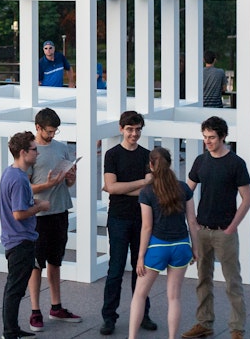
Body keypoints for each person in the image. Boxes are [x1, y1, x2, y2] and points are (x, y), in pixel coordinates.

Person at [181, 116, 250, 339]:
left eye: (212, 137)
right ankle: (204, 323)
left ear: (222, 137)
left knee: (232, 281)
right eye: (205, 137)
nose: (207, 142)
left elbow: (247, 199)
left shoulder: (236, 163)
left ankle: (237, 329)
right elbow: (186, 192)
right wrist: (191, 223)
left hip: (224, 231)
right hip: (202, 229)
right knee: (203, 279)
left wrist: (232, 227)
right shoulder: (201, 161)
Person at [129, 148, 197, 339]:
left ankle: (132, 337)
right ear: (170, 163)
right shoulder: (183, 188)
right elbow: (192, 220)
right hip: (182, 246)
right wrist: (196, 249)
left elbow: (147, 227)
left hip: (157, 247)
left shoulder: (147, 192)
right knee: (174, 297)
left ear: (151, 165)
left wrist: (140, 257)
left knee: (140, 295)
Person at [101, 111, 158, 336]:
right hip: (117, 218)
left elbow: (149, 190)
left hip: (142, 219)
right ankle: (109, 317)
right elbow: (111, 187)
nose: (134, 134)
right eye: (130, 129)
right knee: (115, 269)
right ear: (121, 129)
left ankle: (143, 314)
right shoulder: (112, 154)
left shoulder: (147, 155)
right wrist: (141, 183)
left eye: (137, 129)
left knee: (141, 268)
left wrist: (123, 188)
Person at [25, 108, 81, 331]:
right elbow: (25, 186)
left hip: (60, 210)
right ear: (38, 127)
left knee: (56, 261)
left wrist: (71, 178)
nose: (52, 135)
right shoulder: (30, 150)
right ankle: (35, 310)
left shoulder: (61, 147)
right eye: (49, 131)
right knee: (36, 264)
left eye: (55, 131)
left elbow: (68, 184)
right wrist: (46, 185)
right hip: (38, 214)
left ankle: (56, 306)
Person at [0, 131, 49, 339]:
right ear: (22, 152)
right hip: (20, 240)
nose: (37, 153)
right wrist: (40, 206)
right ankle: (10, 332)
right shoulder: (19, 180)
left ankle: (12, 329)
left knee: (15, 288)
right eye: (34, 149)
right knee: (15, 290)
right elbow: (19, 213)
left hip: (15, 239)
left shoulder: (10, 173)